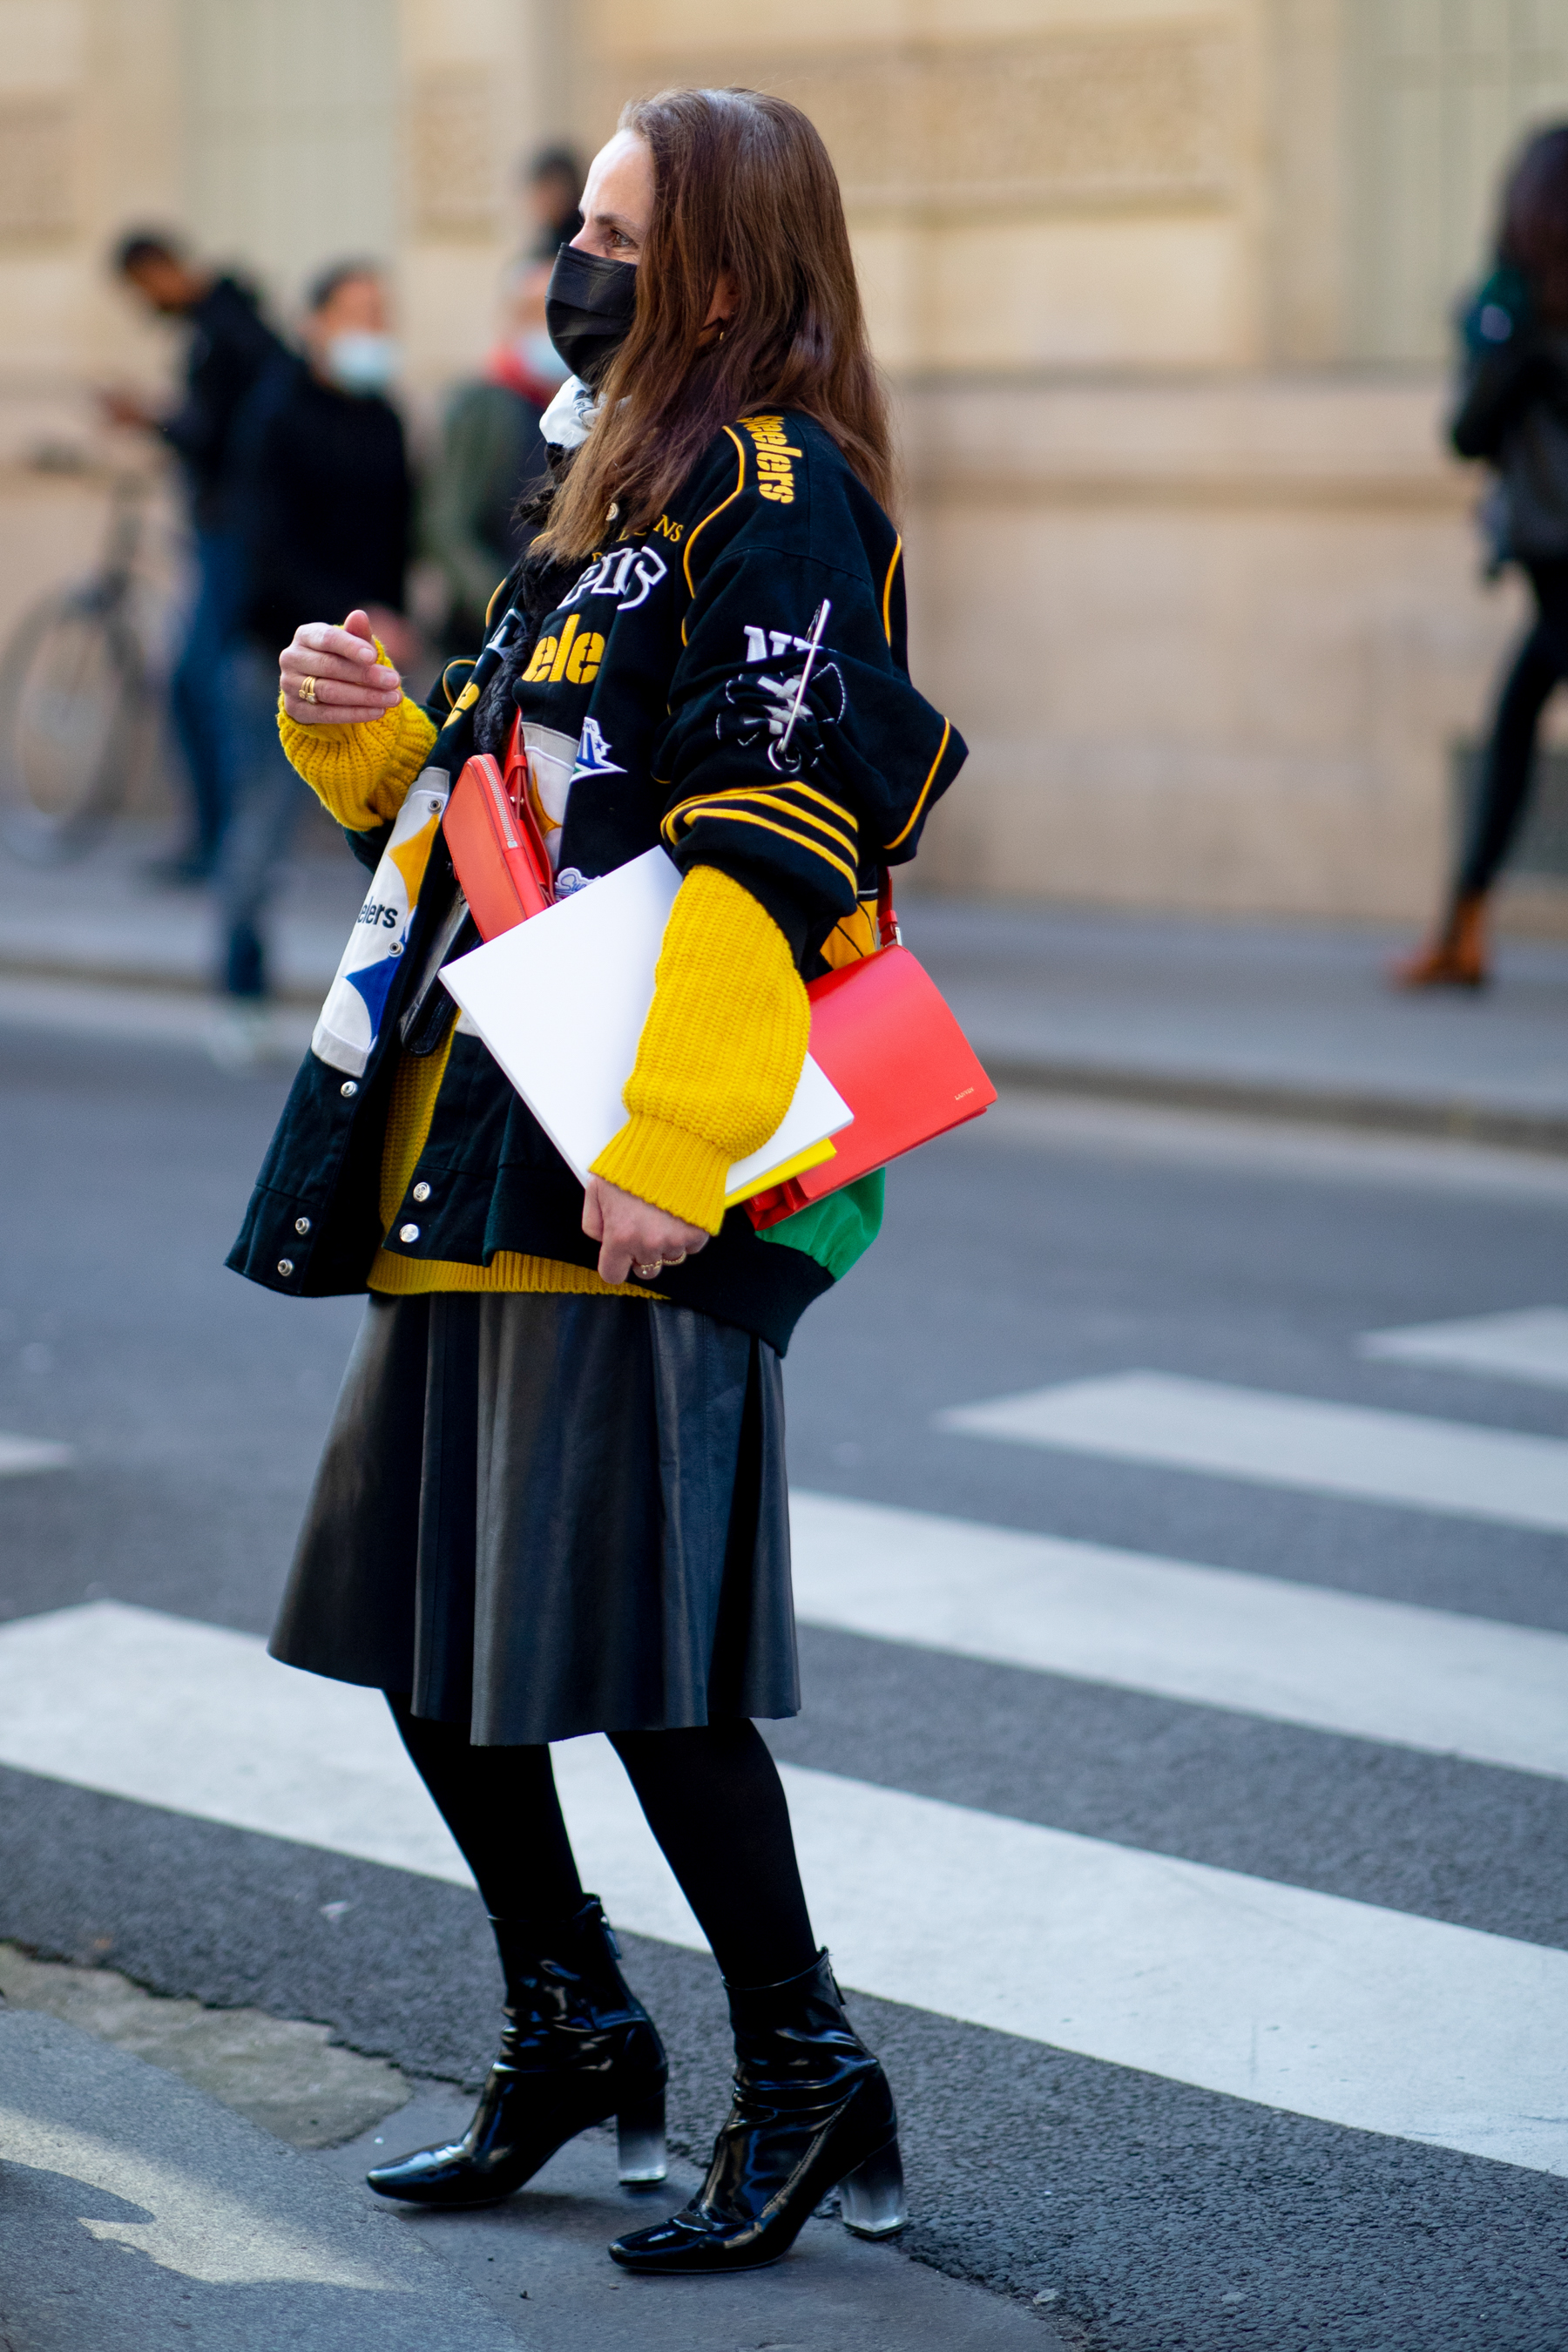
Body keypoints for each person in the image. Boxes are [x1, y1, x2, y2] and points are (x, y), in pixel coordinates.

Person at [226, 88, 967, 2274]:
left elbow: (774, 822)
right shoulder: (590, 493)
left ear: (727, 268)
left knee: (643, 1658)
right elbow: (488, 795)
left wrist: (672, 1152)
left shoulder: (781, 482)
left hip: (629, 1156)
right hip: (477, 1132)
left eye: (621, 227)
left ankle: (806, 2064)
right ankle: (572, 2024)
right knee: (421, 1634)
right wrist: (355, 721)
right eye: (580, 219)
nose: (582, 253)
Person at [214, 260, 414, 1049]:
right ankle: (242, 987)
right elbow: (266, 546)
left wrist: (394, 618)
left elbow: (398, 532)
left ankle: (379, 1007)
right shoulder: (274, 416)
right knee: (260, 831)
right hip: (283, 653)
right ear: (316, 324)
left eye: (380, 312)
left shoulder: (386, 416)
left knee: (395, 836)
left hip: (376, 660)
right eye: (357, 312)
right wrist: (345, 624)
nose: (372, 328)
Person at [1396, 125, 1568, 990]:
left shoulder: (1512, 308)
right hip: (1552, 570)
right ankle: (1463, 931)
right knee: (1510, 725)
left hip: (1556, 555)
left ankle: (1462, 931)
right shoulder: (1516, 309)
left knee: (1511, 727)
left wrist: (1516, 357)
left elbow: (1467, 433)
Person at [104, 231, 285, 881]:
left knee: (203, 685)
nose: (143, 301)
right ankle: (216, 842)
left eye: (139, 286)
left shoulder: (224, 332)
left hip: (232, 532)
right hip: (223, 528)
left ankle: (221, 845)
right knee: (199, 685)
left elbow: (216, 438)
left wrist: (148, 418)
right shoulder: (227, 324)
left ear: (159, 268)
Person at [421, 265, 558, 656]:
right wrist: (505, 604)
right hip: (487, 634)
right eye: (533, 312)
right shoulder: (484, 405)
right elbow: (447, 526)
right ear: (511, 321)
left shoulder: (587, 407)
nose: (546, 325)